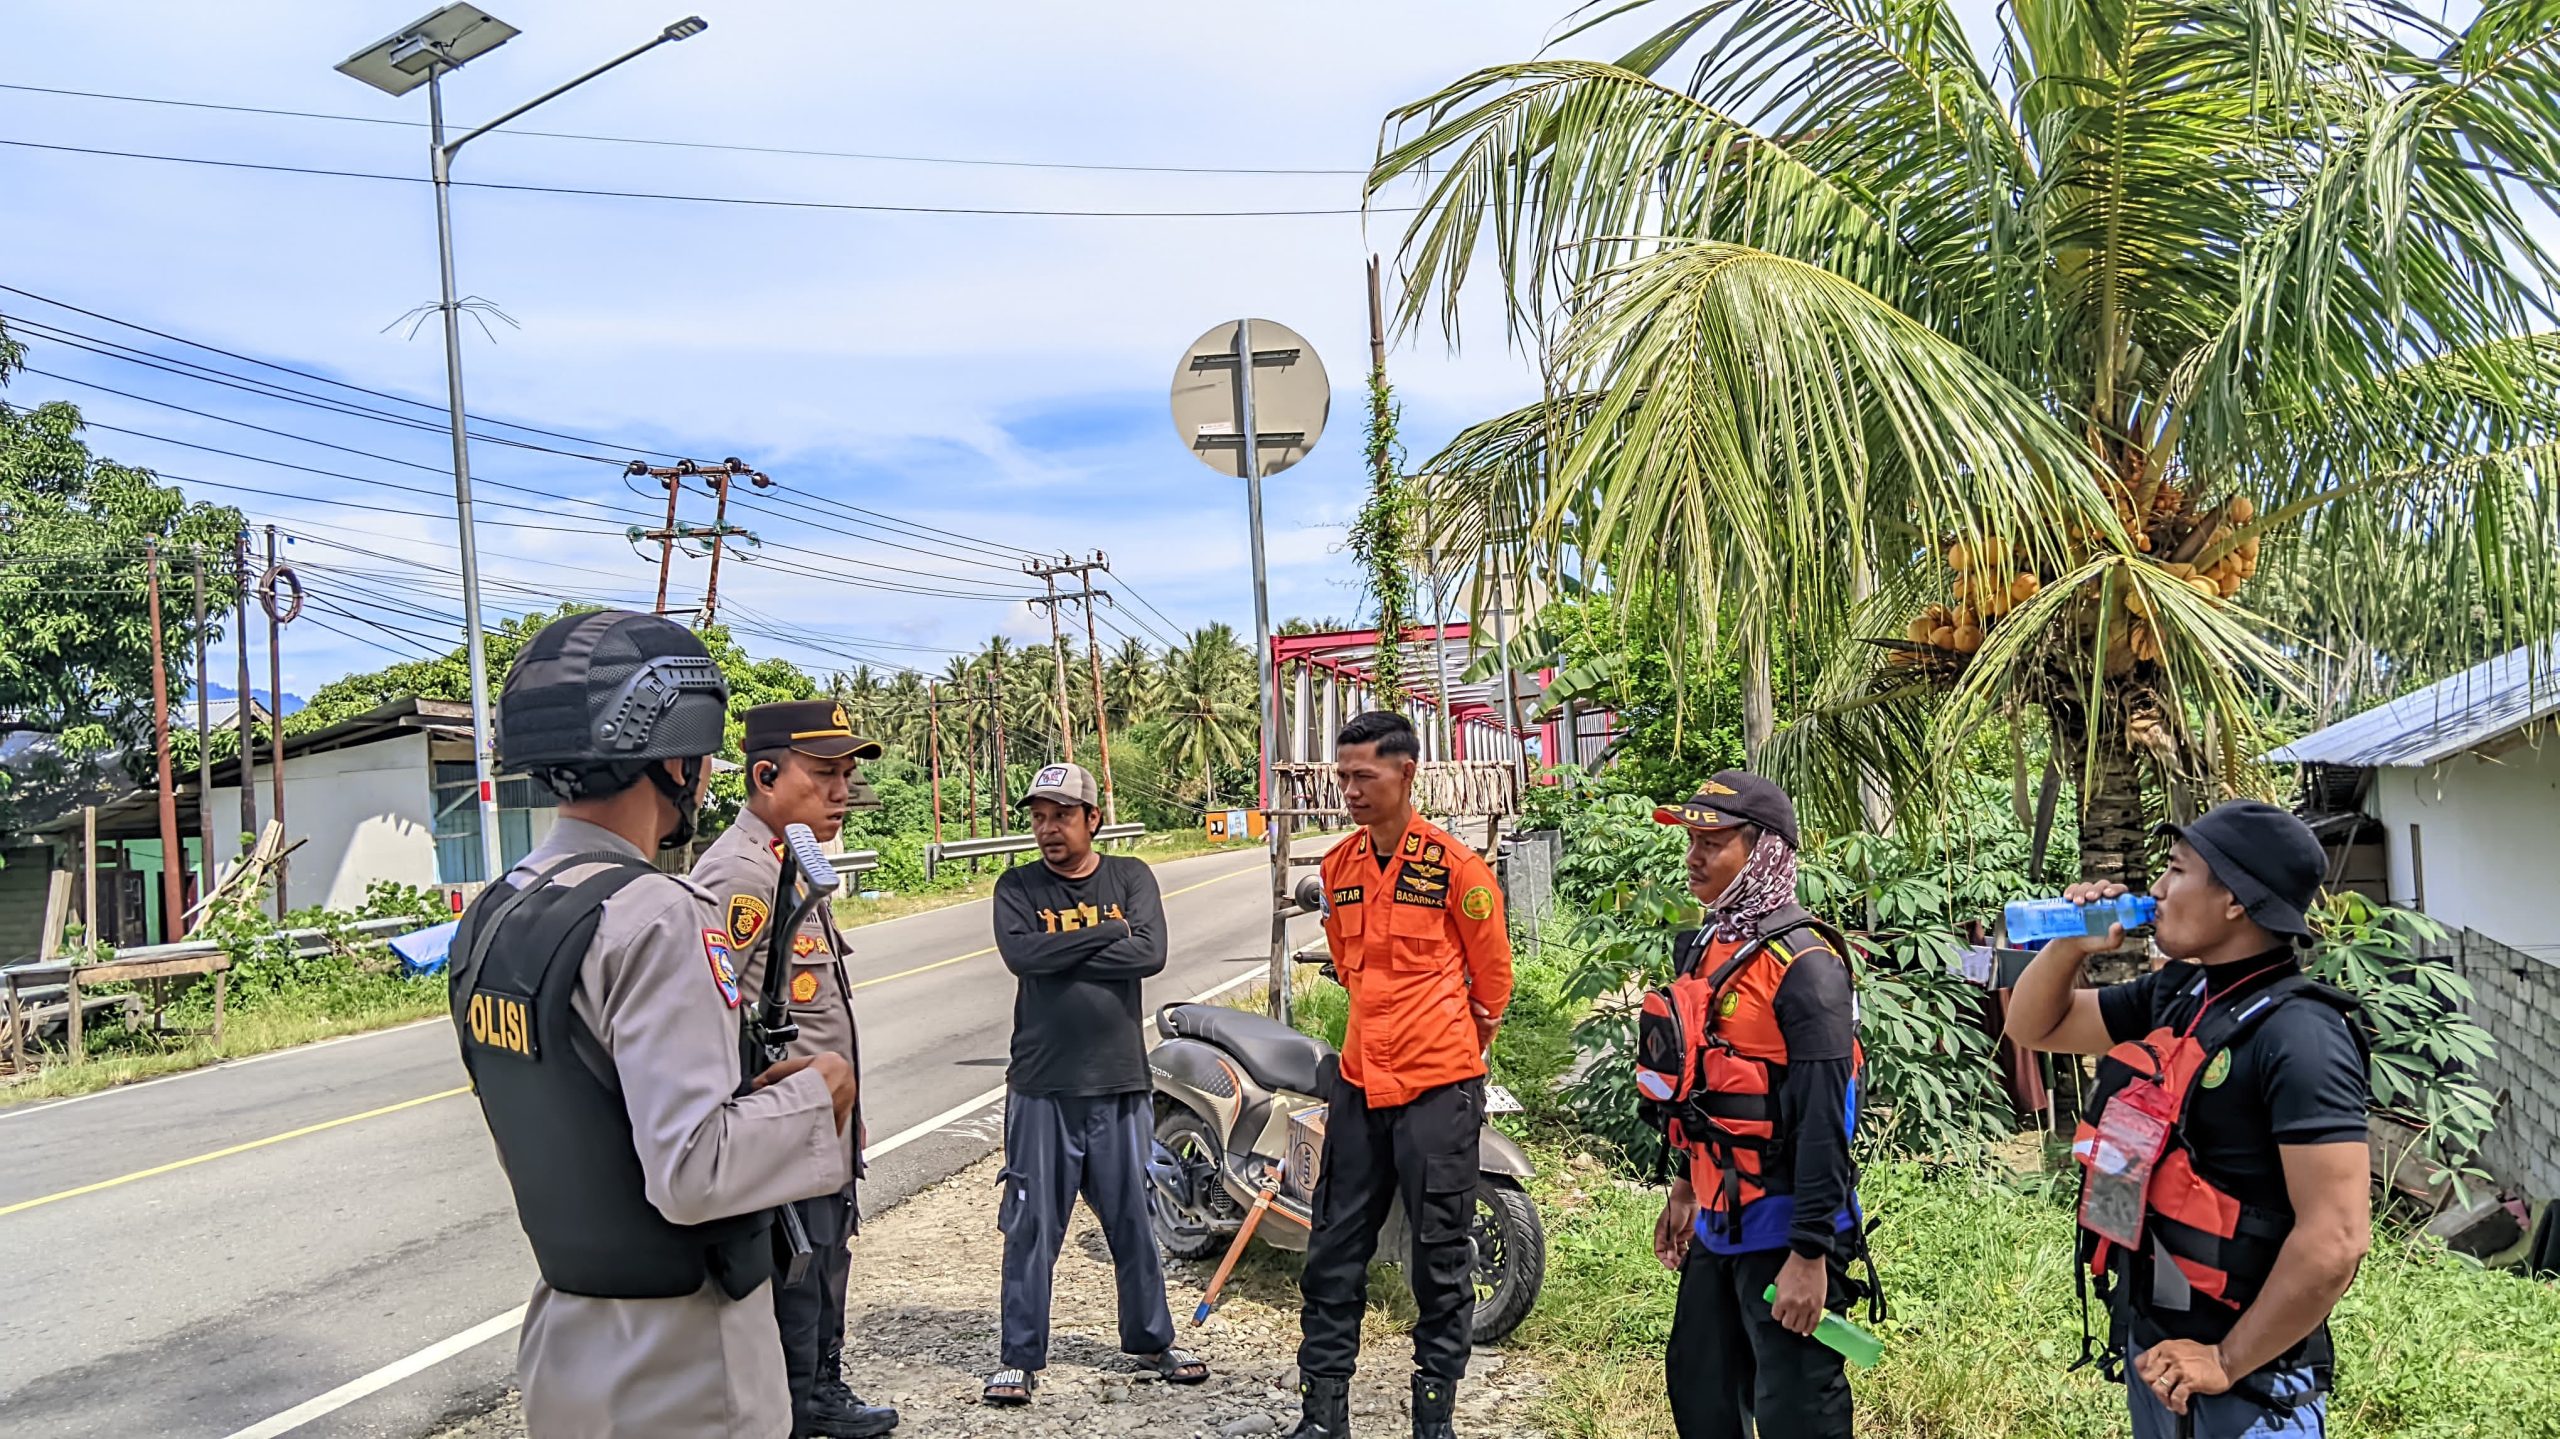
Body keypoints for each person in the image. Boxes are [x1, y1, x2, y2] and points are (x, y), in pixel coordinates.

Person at [447, 610, 858, 1439]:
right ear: (677, 761)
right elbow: (694, 1168)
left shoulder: (494, 914)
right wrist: (821, 1092)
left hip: (568, 1342)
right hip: (683, 1362)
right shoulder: (656, 916)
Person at [2004, 800, 2372, 1439]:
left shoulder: (2302, 1037)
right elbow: (2035, 1026)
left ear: (2234, 901)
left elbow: (2337, 1238)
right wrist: (2070, 942)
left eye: (2176, 870)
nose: (2156, 889)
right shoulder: (2180, 993)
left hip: (2250, 1382)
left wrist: (2226, 1360)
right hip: (2158, 1350)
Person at [1291, 711, 1512, 1439]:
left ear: (1406, 772)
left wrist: (1452, 1044)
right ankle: (1323, 1418)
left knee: (1441, 1261)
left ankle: (1433, 1421)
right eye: (1343, 776)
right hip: (1359, 1085)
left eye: (1364, 775)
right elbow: (1347, 965)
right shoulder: (1339, 868)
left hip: (1437, 1092)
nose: (1350, 789)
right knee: (1332, 1253)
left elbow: (1492, 983)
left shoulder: (1457, 870)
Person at [691, 700, 899, 1439]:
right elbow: (714, 1023)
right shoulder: (741, 874)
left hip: (818, 1123)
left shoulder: (789, 864)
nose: (842, 790)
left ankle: (817, 1390)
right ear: (766, 775)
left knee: (824, 1258)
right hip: (780, 1134)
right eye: (824, 773)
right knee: (795, 1273)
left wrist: (845, 1115)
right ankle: (797, 1405)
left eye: (846, 774)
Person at [1647, 772, 1869, 1439]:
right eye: (1691, 841)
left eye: (1712, 843)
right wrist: (1684, 1187)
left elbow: (1829, 1120)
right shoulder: (1707, 944)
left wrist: (1810, 1254)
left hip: (1785, 1228)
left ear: (1764, 850)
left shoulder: (1808, 966)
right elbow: (1695, 1086)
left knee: (1796, 1409)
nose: (1694, 857)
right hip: (1719, 1219)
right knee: (1701, 1388)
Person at [982, 761, 1209, 1405]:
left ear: (1093, 819)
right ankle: (1019, 1356)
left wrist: (1065, 951)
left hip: (1119, 1085)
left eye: (1062, 816)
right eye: (1038, 817)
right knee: (1031, 1223)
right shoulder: (1017, 886)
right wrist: (1110, 932)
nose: (1048, 829)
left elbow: (1150, 954)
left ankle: (1152, 1340)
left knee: (1134, 1219)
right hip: (1042, 1087)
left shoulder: (1130, 877)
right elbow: (1022, 957)